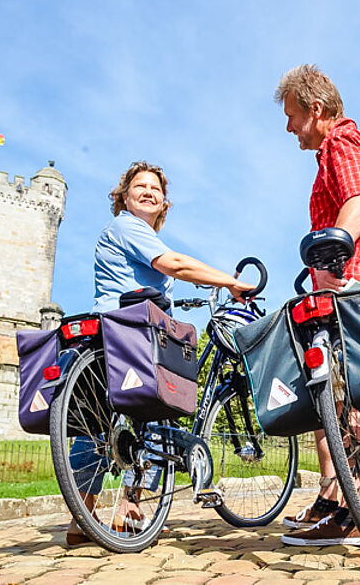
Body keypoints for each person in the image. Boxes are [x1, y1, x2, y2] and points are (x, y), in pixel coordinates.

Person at [66, 161, 255, 546]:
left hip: (112, 331)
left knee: (104, 422)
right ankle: (129, 508)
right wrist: (231, 281)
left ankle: (83, 516)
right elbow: (175, 264)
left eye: (155, 188)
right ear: (124, 196)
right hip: (130, 333)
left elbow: (152, 277)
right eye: (141, 186)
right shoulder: (127, 226)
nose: (149, 192)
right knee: (157, 415)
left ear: (164, 202)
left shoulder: (133, 235)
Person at [274, 64, 360, 547]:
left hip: (352, 290)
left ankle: (348, 512)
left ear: (316, 110)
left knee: (343, 399)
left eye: (292, 116)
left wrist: (334, 252)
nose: (288, 126)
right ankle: (333, 499)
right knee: (347, 397)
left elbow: (359, 203)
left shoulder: (342, 144)